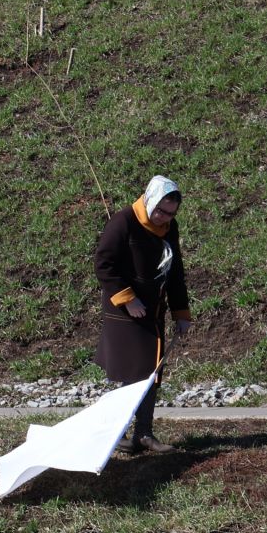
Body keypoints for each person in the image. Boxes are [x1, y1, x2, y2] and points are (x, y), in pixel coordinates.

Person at [94, 175, 192, 454]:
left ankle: (144, 434)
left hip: (152, 312)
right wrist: (128, 299)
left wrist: (180, 312)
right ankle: (115, 434)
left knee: (151, 372)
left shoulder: (168, 228)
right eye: (160, 210)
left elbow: (175, 272)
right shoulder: (123, 222)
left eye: (171, 213)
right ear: (149, 200)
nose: (164, 218)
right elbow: (104, 264)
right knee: (132, 373)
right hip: (125, 313)